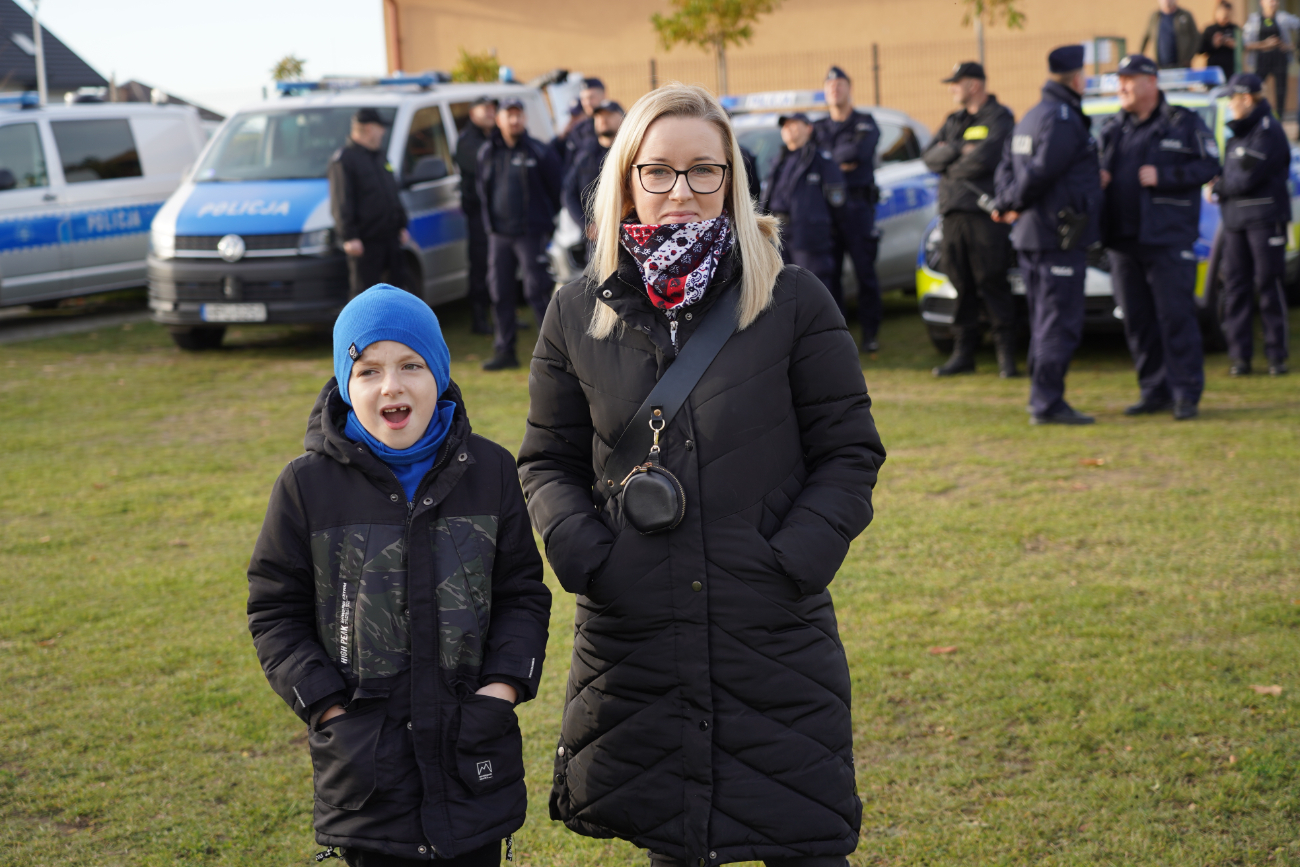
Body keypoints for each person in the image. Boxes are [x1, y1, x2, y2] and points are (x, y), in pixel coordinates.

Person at [518, 84, 885, 867]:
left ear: (732, 179)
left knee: (805, 835)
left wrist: (794, 558)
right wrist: (588, 555)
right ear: (627, 180)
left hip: (772, 630)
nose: (680, 191)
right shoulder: (576, 311)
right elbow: (546, 459)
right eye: (658, 171)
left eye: (702, 171)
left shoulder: (791, 300)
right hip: (639, 628)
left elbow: (849, 449)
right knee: (675, 839)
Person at [246, 284, 552, 867]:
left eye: (411, 364)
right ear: (345, 384)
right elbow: (274, 610)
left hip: (471, 751)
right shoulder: (306, 487)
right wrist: (325, 704)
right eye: (368, 370)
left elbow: (522, 594)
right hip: (367, 765)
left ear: (438, 373)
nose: (392, 385)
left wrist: (503, 687)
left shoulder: (489, 471)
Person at [1099, 54, 1220, 420]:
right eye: (1119, 80)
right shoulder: (1112, 128)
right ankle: (1154, 391)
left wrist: (1165, 175)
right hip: (1123, 241)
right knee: (1137, 320)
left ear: (1151, 82)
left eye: (1129, 79)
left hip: (1167, 239)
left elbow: (1210, 164)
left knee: (1175, 317)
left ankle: (1185, 393)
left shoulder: (1183, 122)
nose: (1121, 86)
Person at [991, 46, 1103, 425]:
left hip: (1032, 236)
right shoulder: (1062, 118)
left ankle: (1043, 398)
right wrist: (1014, 201)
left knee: (1044, 321)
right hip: (1056, 237)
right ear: (1075, 78)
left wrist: (1007, 201)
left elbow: (1007, 168)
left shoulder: (1031, 116)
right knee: (1059, 322)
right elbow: (1041, 172)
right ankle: (1047, 403)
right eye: (1084, 74)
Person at [921, 60, 1018, 377]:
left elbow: (985, 159)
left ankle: (1007, 357)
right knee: (961, 285)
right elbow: (929, 159)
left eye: (956, 82)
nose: (952, 88)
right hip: (952, 216)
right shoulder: (954, 120)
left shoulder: (1000, 118)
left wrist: (952, 159)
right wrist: (959, 150)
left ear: (974, 85)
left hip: (984, 215)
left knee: (992, 282)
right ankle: (964, 354)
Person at [1214, 72, 1291, 376]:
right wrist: (1222, 182)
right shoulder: (1239, 131)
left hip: (1264, 219)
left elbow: (1245, 177)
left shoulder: (1267, 129)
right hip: (1235, 221)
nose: (1230, 105)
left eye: (1233, 99)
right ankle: (1241, 358)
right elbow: (1230, 173)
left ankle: (1276, 357)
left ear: (1247, 98)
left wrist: (1219, 187)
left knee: (1268, 285)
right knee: (1236, 288)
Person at [476, 98, 562, 371]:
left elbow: (556, 189)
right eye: (508, 115)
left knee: (537, 291)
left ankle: (554, 354)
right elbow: (482, 189)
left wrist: (545, 223)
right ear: (499, 119)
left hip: (531, 233)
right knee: (500, 292)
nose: (514, 120)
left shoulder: (539, 151)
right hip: (499, 235)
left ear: (524, 119)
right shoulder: (487, 151)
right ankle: (505, 351)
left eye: (518, 115)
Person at [813, 65, 883, 353]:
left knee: (865, 272)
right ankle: (836, 336)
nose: (835, 89)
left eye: (840, 84)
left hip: (857, 207)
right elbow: (821, 160)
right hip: (825, 209)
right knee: (830, 277)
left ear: (849, 88)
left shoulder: (865, 122)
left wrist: (829, 161)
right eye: (830, 86)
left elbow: (859, 153)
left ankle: (870, 334)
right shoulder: (817, 127)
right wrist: (837, 162)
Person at [760, 112, 849, 293]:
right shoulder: (778, 160)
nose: (788, 128)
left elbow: (838, 202)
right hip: (778, 234)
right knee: (783, 291)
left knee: (814, 289)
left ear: (809, 128)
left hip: (809, 237)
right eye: (785, 125)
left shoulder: (821, 160)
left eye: (794, 123)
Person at [329, 108, 411, 298]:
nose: (383, 132)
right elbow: (341, 201)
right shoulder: (345, 160)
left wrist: (400, 224)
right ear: (368, 129)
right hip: (366, 244)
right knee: (366, 298)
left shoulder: (379, 156)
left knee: (396, 293)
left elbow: (391, 192)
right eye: (379, 128)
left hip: (390, 239)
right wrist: (349, 236)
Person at [455, 96, 497, 334]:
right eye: (485, 110)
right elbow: (483, 166)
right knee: (480, 266)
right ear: (473, 114)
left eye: (493, 109)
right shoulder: (468, 140)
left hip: (496, 211)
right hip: (478, 213)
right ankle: (479, 318)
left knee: (499, 267)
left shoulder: (494, 136)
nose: (491, 113)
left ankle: (500, 314)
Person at [561, 100, 624, 256]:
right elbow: (568, 193)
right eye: (599, 116)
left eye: (609, 115)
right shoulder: (585, 157)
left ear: (623, 118)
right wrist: (587, 226)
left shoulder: (631, 154)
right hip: (596, 242)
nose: (603, 120)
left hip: (628, 237)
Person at [1244, 0, 1299, 126]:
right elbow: (1246, 44)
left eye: (1275, 1)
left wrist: (1292, 46)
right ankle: (1254, 117)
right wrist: (1265, 44)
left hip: (1280, 60)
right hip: (1261, 60)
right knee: (1256, 88)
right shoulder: (1254, 20)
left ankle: (1279, 121)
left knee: (1281, 91)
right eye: (1269, 1)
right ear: (1262, 2)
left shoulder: (1283, 18)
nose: (1272, 3)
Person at [560, 77, 606, 171]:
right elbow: (571, 167)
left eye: (591, 98)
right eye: (583, 99)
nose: (587, 103)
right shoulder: (579, 130)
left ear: (603, 96)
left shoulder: (620, 123)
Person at [1140, 0, 1201, 69]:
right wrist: (1140, 58)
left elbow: (1196, 38)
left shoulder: (1185, 15)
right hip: (1160, 67)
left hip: (1181, 66)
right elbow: (1146, 37)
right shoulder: (1155, 17)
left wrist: (1189, 58)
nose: (1167, 1)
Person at [1198, 1, 1240, 80]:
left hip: (1230, 70)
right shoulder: (1210, 30)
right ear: (1217, 13)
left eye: (1227, 15)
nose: (1225, 18)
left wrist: (1233, 44)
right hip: (1213, 70)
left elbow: (1243, 46)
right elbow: (1200, 50)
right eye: (1224, 14)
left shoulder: (1235, 29)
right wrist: (1213, 44)